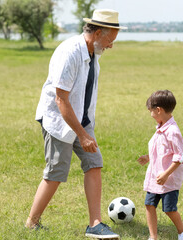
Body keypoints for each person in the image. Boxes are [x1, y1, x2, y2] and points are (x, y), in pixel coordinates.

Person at [25, 9, 126, 239]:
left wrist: (84, 130)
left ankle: (95, 224)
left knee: (94, 163)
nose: (111, 46)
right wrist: (82, 135)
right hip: (60, 120)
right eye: (110, 40)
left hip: (81, 119)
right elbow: (60, 99)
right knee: (56, 172)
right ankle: (31, 222)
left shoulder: (93, 52)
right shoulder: (70, 52)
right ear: (98, 33)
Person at [137, 90, 183, 240]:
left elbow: (179, 157)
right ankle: (153, 237)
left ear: (158, 110)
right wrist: (148, 157)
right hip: (155, 177)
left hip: (168, 180)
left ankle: (182, 232)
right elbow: (162, 151)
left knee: (169, 209)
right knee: (149, 205)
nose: (151, 115)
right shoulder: (160, 128)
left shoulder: (172, 131)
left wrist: (166, 174)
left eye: (151, 111)